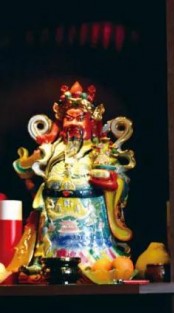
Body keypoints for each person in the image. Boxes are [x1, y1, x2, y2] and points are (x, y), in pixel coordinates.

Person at [12, 81, 135, 271]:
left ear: (91, 122)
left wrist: (114, 184)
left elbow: (122, 180)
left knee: (94, 264)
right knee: (50, 259)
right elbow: (21, 169)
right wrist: (35, 157)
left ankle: (92, 264)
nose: (74, 123)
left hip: (90, 227)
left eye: (80, 118)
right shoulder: (53, 149)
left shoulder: (101, 150)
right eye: (69, 118)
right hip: (54, 221)